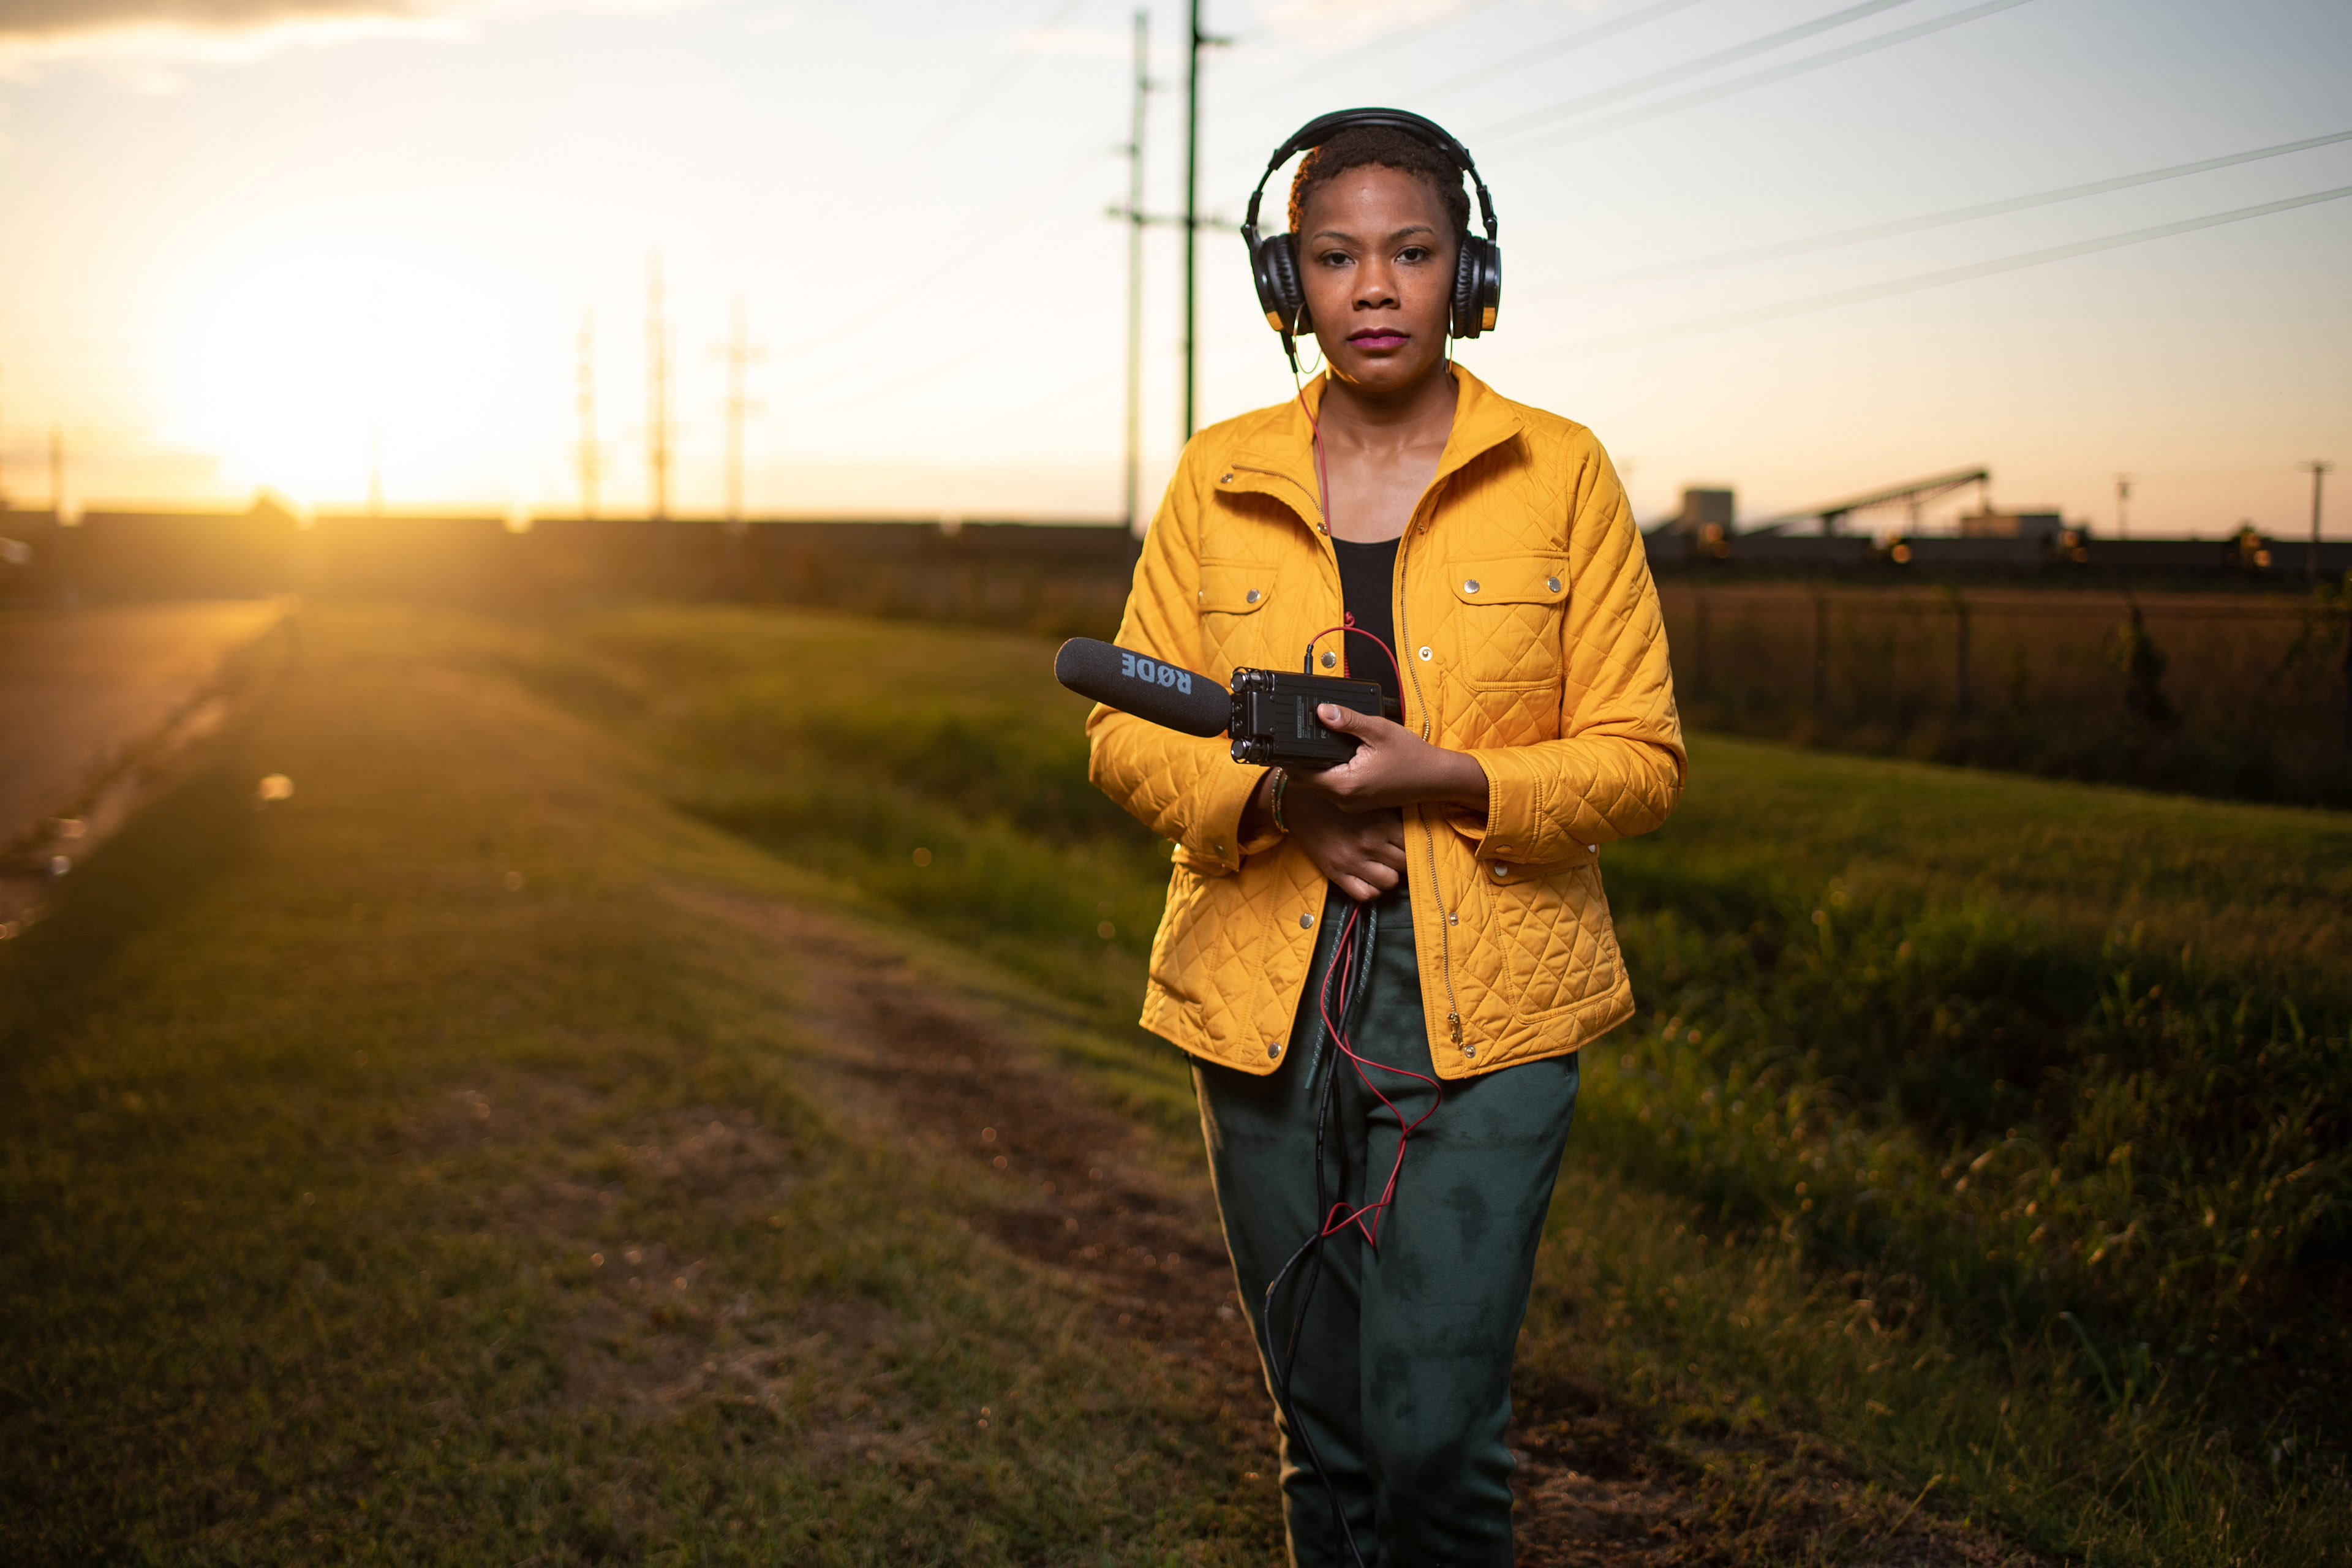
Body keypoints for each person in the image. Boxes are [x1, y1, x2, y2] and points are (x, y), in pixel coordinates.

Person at [1084, 110, 1684, 1567]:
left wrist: (1450, 777)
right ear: (1287, 282)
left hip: (1494, 1004)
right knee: (1326, 1433)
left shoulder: (1560, 470)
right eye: (1334, 255)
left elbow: (1640, 760)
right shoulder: (1219, 476)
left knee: (1432, 1441)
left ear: (1464, 274)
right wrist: (1274, 803)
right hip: (1262, 996)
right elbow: (1123, 729)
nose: (1372, 286)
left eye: (1410, 252)